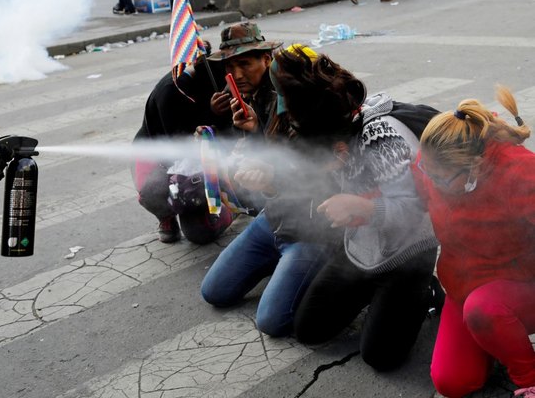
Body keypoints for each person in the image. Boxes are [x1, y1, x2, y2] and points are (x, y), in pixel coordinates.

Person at [264, 46, 440, 371]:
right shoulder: (332, 127)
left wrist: (365, 208)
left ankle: (424, 290)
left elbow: (416, 211)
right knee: (310, 329)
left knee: (380, 357)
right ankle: (376, 295)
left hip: (408, 252)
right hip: (363, 245)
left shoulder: (379, 136)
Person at [200, 45, 343, 338]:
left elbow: (328, 189)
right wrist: (250, 138)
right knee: (215, 291)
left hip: (310, 234)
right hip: (273, 221)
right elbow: (265, 171)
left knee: (272, 321)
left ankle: (321, 270)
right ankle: (281, 267)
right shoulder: (270, 106)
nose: (237, 75)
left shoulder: (333, 121)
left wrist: (272, 183)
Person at [415, 86, 535, 398]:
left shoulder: (520, 173)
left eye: (440, 178)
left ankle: (529, 377)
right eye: (426, 171)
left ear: (475, 167)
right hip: (465, 285)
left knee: (485, 309)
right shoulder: (432, 162)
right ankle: (498, 337)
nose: (432, 183)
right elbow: (410, 195)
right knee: (452, 382)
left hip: (521, 283)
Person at [133, 44, 236, 244]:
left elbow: (226, 132)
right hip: (163, 161)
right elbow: (179, 147)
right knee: (152, 191)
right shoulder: (171, 91)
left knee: (200, 233)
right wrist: (211, 114)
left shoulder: (211, 80)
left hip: (201, 153)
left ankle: (225, 207)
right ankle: (166, 217)